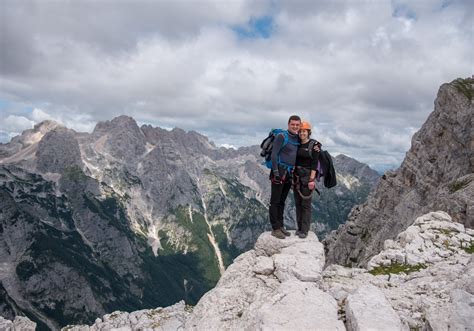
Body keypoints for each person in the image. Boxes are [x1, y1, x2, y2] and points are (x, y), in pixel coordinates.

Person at [269, 115, 301, 239]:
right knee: (275, 201)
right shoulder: (282, 136)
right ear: (288, 124)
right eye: (293, 124)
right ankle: (275, 228)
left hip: (289, 173)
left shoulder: (297, 138)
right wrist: (276, 173)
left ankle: (281, 226)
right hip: (279, 172)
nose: (295, 126)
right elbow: (274, 154)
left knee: (282, 201)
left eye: (297, 125)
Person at [293, 121, 320, 238]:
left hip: (307, 176)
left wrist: (312, 180)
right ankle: (299, 228)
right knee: (298, 203)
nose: (302, 133)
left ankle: (305, 230)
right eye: (300, 131)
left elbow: (314, 164)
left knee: (306, 204)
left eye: (304, 131)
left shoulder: (314, 146)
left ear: (308, 132)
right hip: (297, 177)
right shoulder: (297, 144)